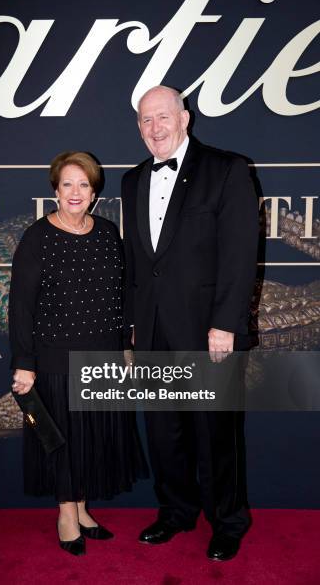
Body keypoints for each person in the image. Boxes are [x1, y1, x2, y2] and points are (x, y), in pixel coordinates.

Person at [121, 86, 258, 561]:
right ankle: (176, 512)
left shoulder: (227, 169)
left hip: (207, 330)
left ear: (185, 118)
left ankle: (228, 521)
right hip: (154, 328)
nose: (155, 129)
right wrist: (134, 324)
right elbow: (138, 262)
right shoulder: (132, 180)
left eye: (163, 117)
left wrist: (225, 323)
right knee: (164, 431)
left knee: (215, 432)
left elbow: (240, 255)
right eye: (145, 121)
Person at [8, 151, 148, 556]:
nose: (75, 192)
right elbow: (22, 307)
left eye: (83, 184)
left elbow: (122, 295)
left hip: (103, 354)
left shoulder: (106, 233)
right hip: (56, 358)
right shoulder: (38, 238)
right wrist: (24, 362)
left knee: (91, 440)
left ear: (94, 192)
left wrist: (124, 345)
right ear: (55, 190)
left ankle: (83, 508)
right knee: (65, 441)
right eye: (67, 184)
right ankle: (66, 514)